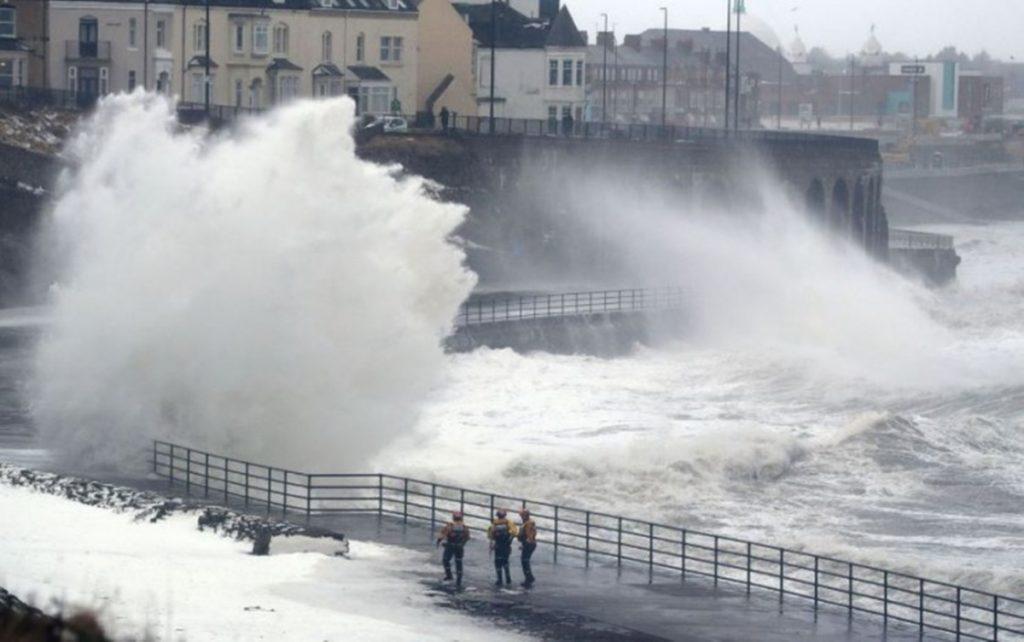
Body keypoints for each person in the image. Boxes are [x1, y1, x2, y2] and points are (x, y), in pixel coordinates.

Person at [436, 511, 470, 586]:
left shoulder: (449, 526)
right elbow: (467, 537)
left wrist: (438, 541)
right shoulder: (465, 527)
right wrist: (462, 544)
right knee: (459, 562)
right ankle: (459, 579)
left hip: (450, 546)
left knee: (445, 560)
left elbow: (442, 535)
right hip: (459, 547)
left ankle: (449, 575)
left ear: (453, 518)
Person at [487, 509, 519, 586]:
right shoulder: (509, 522)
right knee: (505, 561)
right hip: (506, 545)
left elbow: (490, 535)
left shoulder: (494, 524)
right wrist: (509, 541)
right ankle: (508, 579)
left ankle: (499, 580)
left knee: (497, 562)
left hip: (498, 545)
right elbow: (514, 532)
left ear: (497, 515)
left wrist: (492, 545)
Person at [517, 509, 537, 587]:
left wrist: (527, 542)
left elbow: (530, 534)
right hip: (528, 543)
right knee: (525, 561)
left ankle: (529, 578)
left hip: (529, 544)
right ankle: (529, 578)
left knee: (525, 561)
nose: (521, 517)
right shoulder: (528, 522)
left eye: (522, 515)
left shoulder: (529, 524)